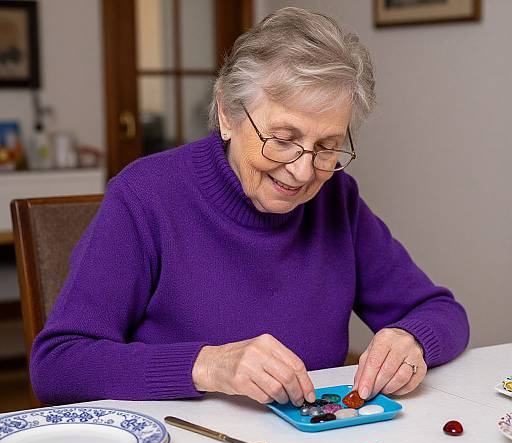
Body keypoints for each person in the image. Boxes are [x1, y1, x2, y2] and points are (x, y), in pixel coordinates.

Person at [31, 7, 469, 406]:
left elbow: (442, 312)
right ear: (226, 113)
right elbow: (57, 364)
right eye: (282, 140)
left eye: (327, 147)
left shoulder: (338, 198)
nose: (301, 172)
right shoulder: (145, 197)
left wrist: (413, 338)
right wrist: (207, 366)